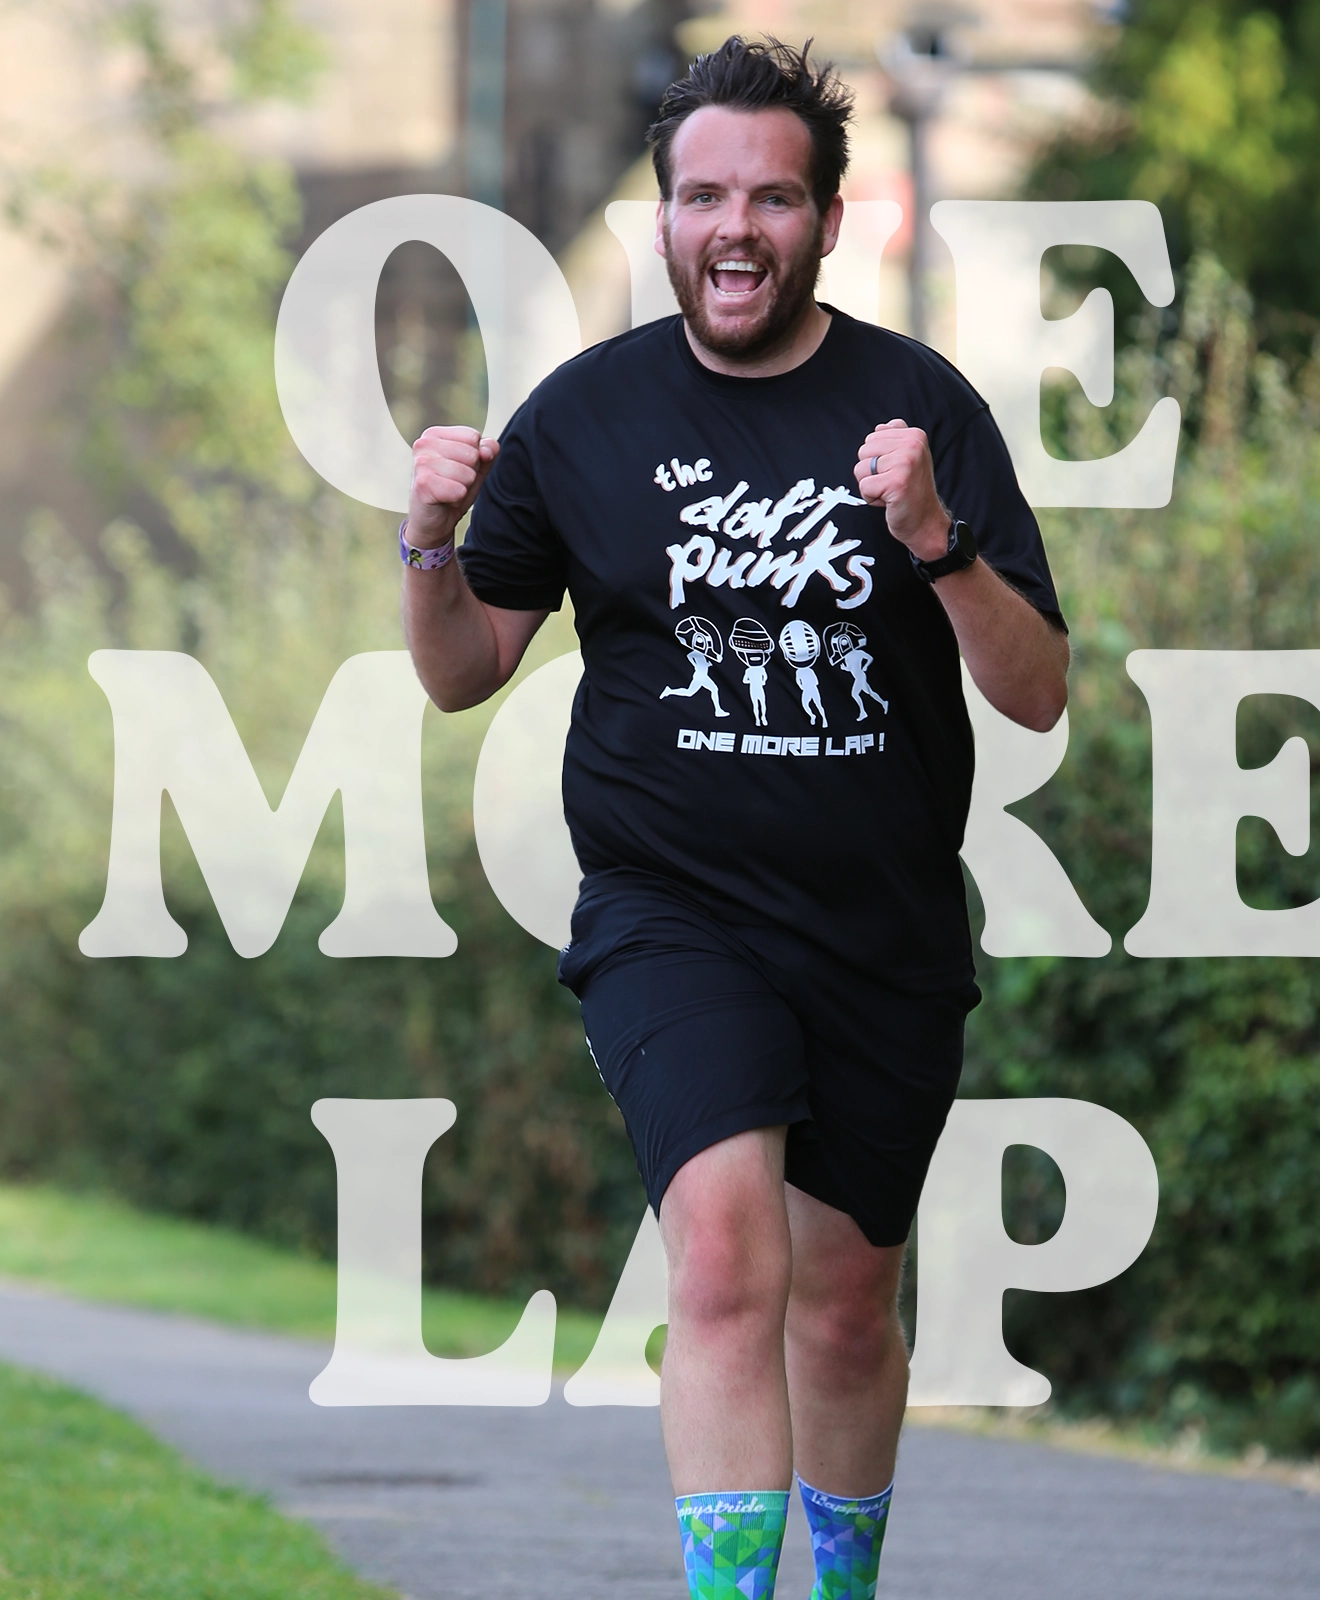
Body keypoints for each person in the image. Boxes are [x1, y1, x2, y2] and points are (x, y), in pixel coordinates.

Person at [399, 36, 1068, 1600]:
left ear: (832, 222)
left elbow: (1035, 691)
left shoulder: (922, 409)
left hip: (880, 927)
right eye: (706, 195)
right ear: (665, 217)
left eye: (774, 195)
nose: (737, 226)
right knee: (720, 1260)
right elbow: (460, 674)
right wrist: (426, 544)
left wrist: (936, 541)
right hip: (669, 909)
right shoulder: (583, 419)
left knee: (843, 1301)